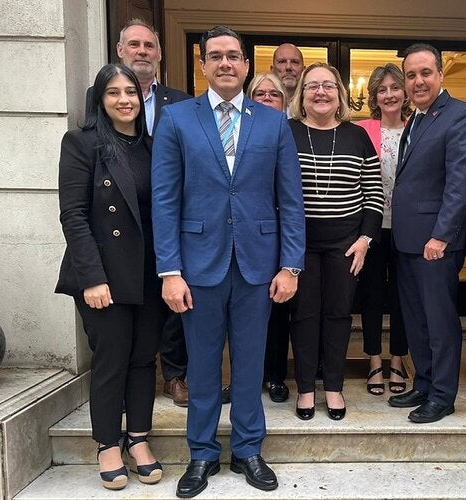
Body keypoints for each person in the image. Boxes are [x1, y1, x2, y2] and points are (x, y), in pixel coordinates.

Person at [152, 26, 305, 497]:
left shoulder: (273, 122)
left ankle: (247, 449)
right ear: (202, 65)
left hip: (258, 265)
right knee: (201, 366)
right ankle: (201, 453)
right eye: (215, 56)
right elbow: (165, 200)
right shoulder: (177, 119)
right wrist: (170, 271)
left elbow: (290, 200)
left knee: (250, 363)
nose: (225, 63)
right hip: (198, 266)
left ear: (246, 64)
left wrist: (291, 265)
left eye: (233, 56)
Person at [56, 63, 166, 490]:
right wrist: (92, 278)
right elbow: (73, 215)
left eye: (131, 92)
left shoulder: (154, 146)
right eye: (113, 93)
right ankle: (106, 443)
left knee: (143, 359)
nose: (124, 100)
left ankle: (138, 438)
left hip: (148, 272)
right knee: (111, 361)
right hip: (102, 275)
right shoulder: (82, 144)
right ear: (100, 100)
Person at [85, 18, 194, 407]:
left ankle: (175, 374)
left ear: (160, 54)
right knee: (121, 336)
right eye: (134, 44)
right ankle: (118, 409)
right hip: (121, 234)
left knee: (173, 305)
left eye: (149, 45)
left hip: (170, 222)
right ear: (120, 51)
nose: (142, 51)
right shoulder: (98, 97)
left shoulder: (181, 102)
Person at [388, 43, 466, 423]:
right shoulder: (416, 118)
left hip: (435, 242)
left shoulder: (462, 117)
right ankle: (424, 383)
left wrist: (441, 236)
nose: (418, 81)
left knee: (440, 322)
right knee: (416, 319)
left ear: (441, 75)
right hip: (408, 240)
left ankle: (443, 395)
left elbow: (460, 185)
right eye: (411, 75)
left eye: (425, 73)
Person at [287, 62, 384, 421]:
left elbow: (374, 192)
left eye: (328, 85)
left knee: (339, 315)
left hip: (346, 245)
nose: (321, 92)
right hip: (299, 245)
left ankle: (333, 386)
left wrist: (365, 239)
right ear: (301, 95)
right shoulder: (287, 132)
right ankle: (305, 388)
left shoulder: (356, 136)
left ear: (340, 94)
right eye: (312, 86)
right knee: (304, 315)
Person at [355, 63, 411, 396]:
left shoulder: (417, 127)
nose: (389, 95)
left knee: (403, 297)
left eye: (395, 88)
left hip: (408, 228)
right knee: (372, 295)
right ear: (374, 96)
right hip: (372, 226)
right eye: (382, 90)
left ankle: (399, 360)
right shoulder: (361, 130)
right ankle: (375, 360)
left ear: (405, 92)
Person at [245, 72, 291, 404]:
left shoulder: (291, 132)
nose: (266, 99)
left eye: (273, 94)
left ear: (285, 101)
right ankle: (245, 378)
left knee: (277, 313)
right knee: (242, 318)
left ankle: (275, 375)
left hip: (281, 237)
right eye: (259, 94)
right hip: (245, 237)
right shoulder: (237, 131)